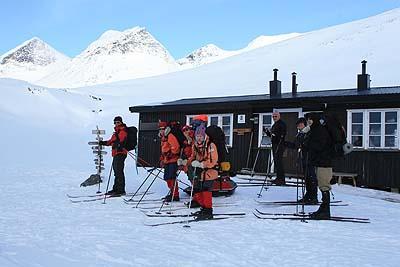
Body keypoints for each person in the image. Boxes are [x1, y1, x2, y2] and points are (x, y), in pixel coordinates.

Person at [304, 112, 334, 219]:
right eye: (307, 119)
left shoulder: (320, 131)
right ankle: (323, 208)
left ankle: (326, 211)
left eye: (310, 119)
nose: (308, 122)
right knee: (322, 185)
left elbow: (319, 146)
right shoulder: (315, 130)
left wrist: (307, 142)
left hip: (324, 162)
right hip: (319, 162)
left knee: (324, 185)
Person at [188, 123, 219, 220]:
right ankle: (204, 208)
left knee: (206, 190)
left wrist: (202, 164)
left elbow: (213, 161)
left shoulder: (211, 145)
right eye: (197, 136)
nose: (199, 138)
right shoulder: (195, 146)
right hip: (200, 172)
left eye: (201, 136)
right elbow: (193, 157)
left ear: (204, 135)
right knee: (198, 190)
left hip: (210, 172)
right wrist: (186, 162)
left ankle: (208, 211)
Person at [286, 117, 318, 204]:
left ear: (304, 124)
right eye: (298, 125)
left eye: (300, 124)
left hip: (310, 157)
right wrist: (285, 143)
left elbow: (309, 144)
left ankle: (314, 197)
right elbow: (296, 145)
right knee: (307, 177)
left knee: (311, 177)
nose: (299, 126)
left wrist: (302, 144)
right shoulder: (301, 133)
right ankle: (308, 195)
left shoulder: (309, 132)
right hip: (304, 157)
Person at [99, 116, 128, 196]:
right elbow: (111, 142)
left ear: (121, 122)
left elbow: (122, 141)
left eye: (118, 122)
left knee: (119, 171)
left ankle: (121, 190)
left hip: (121, 153)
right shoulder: (116, 133)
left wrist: (118, 145)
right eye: (115, 122)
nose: (116, 124)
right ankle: (116, 189)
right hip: (116, 153)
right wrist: (103, 143)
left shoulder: (123, 131)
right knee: (116, 172)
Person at [159, 121, 181, 202]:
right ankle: (172, 192)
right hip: (167, 160)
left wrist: (170, 153)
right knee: (167, 177)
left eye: (163, 129)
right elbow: (163, 149)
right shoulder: (163, 138)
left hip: (173, 160)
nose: (161, 130)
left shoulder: (170, 136)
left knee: (172, 177)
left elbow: (176, 147)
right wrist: (162, 158)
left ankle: (175, 195)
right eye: (160, 129)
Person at [264, 111, 287, 185]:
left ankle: (281, 179)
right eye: (273, 116)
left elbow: (281, 135)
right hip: (275, 144)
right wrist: (267, 132)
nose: (274, 118)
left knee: (279, 162)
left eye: (275, 116)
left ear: (279, 116)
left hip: (279, 145)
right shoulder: (275, 124)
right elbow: (272, 136)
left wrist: (275, 135)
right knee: (277, 162)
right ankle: (278, 178)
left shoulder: (281, 124)